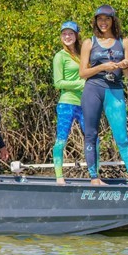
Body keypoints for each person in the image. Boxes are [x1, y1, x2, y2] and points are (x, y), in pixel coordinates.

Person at [79, 4, 128, 185]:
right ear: (95, 22)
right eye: (100, 19)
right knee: (91, 134)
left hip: (115, 91)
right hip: (93, 90)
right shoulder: (88, 42)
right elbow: (83, 73)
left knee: (122, 136)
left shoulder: (124, 42)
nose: (103, 22)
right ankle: (94, 178)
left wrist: (125, 66)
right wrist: (103, 67)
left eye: (106, 19)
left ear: (113, 20)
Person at [51, 21, 86, 184]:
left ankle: (96, 176)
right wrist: (81, 84)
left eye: (70, 33)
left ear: (76, 35)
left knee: (94, 139)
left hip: (85, 103)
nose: (67, 36)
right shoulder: (60, 56)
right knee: (61, 139)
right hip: (66, 103)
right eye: (64, 34)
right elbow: (58, 83)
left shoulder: (83, 54)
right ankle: (59, 177)